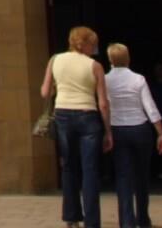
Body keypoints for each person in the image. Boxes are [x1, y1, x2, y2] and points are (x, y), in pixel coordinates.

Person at [41, 26, 111, 228]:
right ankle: (92, 221)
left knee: (69, 167)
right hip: (88, 115)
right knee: (90, 170)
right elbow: (103, 102)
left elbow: (45, 92)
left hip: (63, 114)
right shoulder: (95, 66)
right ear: (86, 43)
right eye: (93, 44)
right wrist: (108, 131)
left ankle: (71, 217)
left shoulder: (55, 59)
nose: (94, 48)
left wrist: (59, 85)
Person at [106, 44, 162, 228]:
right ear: (128, 58)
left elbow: (105, 106)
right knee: (142, 175)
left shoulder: (105, 80)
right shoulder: (138, 79)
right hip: (140, 128)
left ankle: (127, 221)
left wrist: (106, 131)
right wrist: (161, 133)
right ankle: (143, 218)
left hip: (117, 128)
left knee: (123, 176)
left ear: (110, 60)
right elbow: (150, 107)